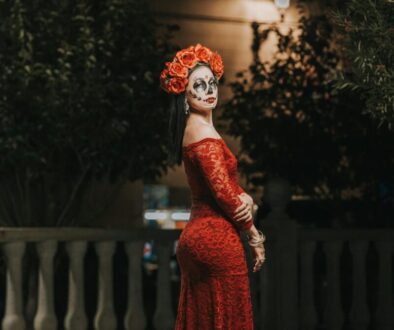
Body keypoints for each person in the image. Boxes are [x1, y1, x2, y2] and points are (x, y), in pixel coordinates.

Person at [160, 44, 266, 329]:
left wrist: (245, 197)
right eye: (199, 84)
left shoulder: (194, 129)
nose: (209, 90)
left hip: (196, 239)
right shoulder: (202, 131)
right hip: (216, 240)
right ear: (184, 94)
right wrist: (255, 235)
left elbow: (220, 185)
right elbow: (224, 194)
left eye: (212, 83)